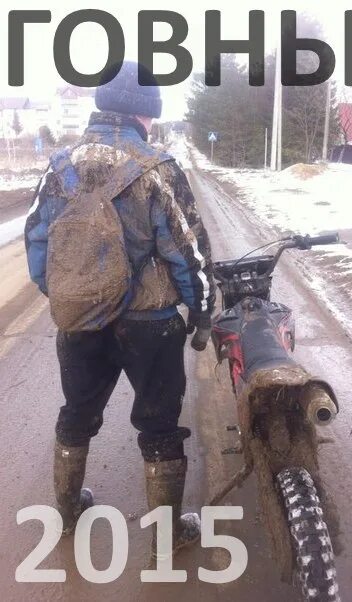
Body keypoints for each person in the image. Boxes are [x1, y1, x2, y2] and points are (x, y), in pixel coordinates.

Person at [24, 61, 216, 555]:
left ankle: (68, 512)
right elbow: (188, 252)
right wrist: (202, 310)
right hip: (149, 325)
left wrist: (69, 293)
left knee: (77, 411)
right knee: (157, 423)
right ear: (144, 114)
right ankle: (168, 533)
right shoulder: (156, 167)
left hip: (79, 320)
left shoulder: (60, 165)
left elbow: (37, 240)